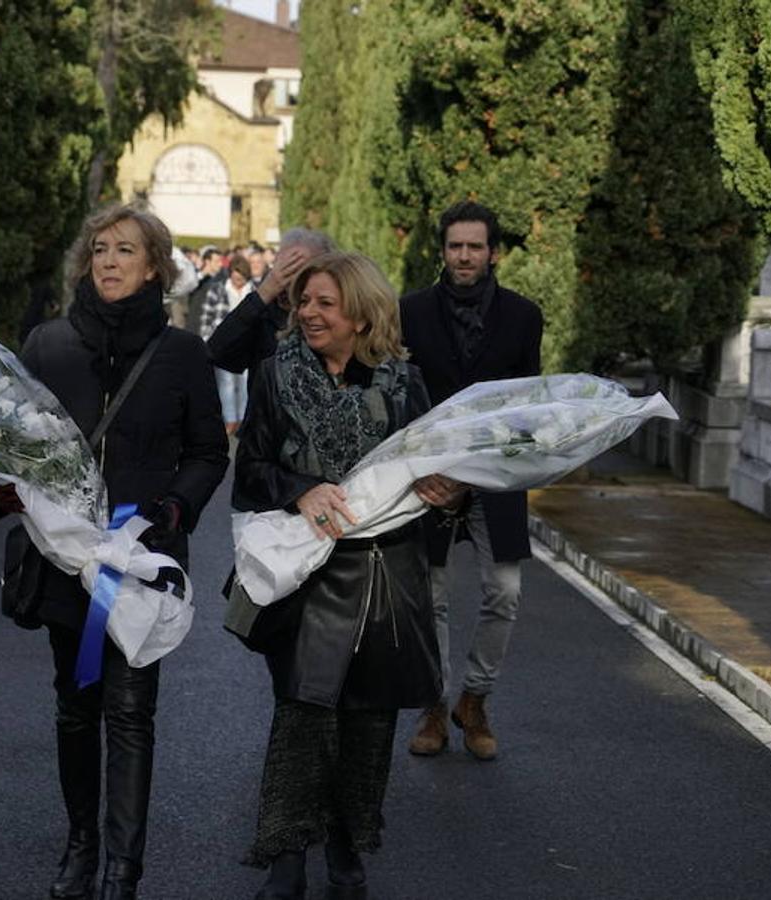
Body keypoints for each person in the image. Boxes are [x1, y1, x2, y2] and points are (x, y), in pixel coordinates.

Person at [0, 203, 228, 900]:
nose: (110, 260)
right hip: (67, 561)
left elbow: (208, 451)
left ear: (155, 264)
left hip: (142, 561)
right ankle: (81, 844)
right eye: (99, 249)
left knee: (130, 710)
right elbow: (7, 443)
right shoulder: (47, 346)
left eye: (126, 249)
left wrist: (174, 509)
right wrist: (2, 489)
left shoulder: (182, 354)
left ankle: (124, 868)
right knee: (75, 704)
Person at [232, 252, 464, 900]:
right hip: (304, 577)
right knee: (303, 717)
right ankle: (285, 861)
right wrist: (302, 488)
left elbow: (432, 476)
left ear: (361, 314)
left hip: (386, 577)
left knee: (368, 723)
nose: (307, 312)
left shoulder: (405, 385)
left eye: (324, 303)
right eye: (304, 301)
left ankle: (345, 851)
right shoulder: (275, 378)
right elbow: (248, 473)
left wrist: (451, 494)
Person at [399, 200, 543, 762]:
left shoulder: (523, 316)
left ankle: (474, 699)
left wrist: (483, 465)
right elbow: (403, 399)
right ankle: (433, 705)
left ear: (493, 252)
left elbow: (525, 405)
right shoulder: (409, 312)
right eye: (455, 246)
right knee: (427, 596)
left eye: (474, 247)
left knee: (504, 590)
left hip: (497, 470)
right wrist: (427, 469)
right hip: (429, 475)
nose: (464, 256)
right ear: (443, 250)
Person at [206, 227, 336, 385]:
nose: (287, 277)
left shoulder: (333, 316)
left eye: (298, 268)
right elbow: (217, 353)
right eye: (283, 266)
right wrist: (263, 294)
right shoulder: (264, 312)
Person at [198, 254, 254, 434]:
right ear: (230, 274)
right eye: (235, 278)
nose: (238, 282)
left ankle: (244, 419)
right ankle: (229, 420)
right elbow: (207, 318)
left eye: (242, 279)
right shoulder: (217, 289)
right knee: (226, 383)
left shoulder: (254, 291)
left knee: (247, 383)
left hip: (247, 344)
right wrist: (207, 344)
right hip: (224, 343)